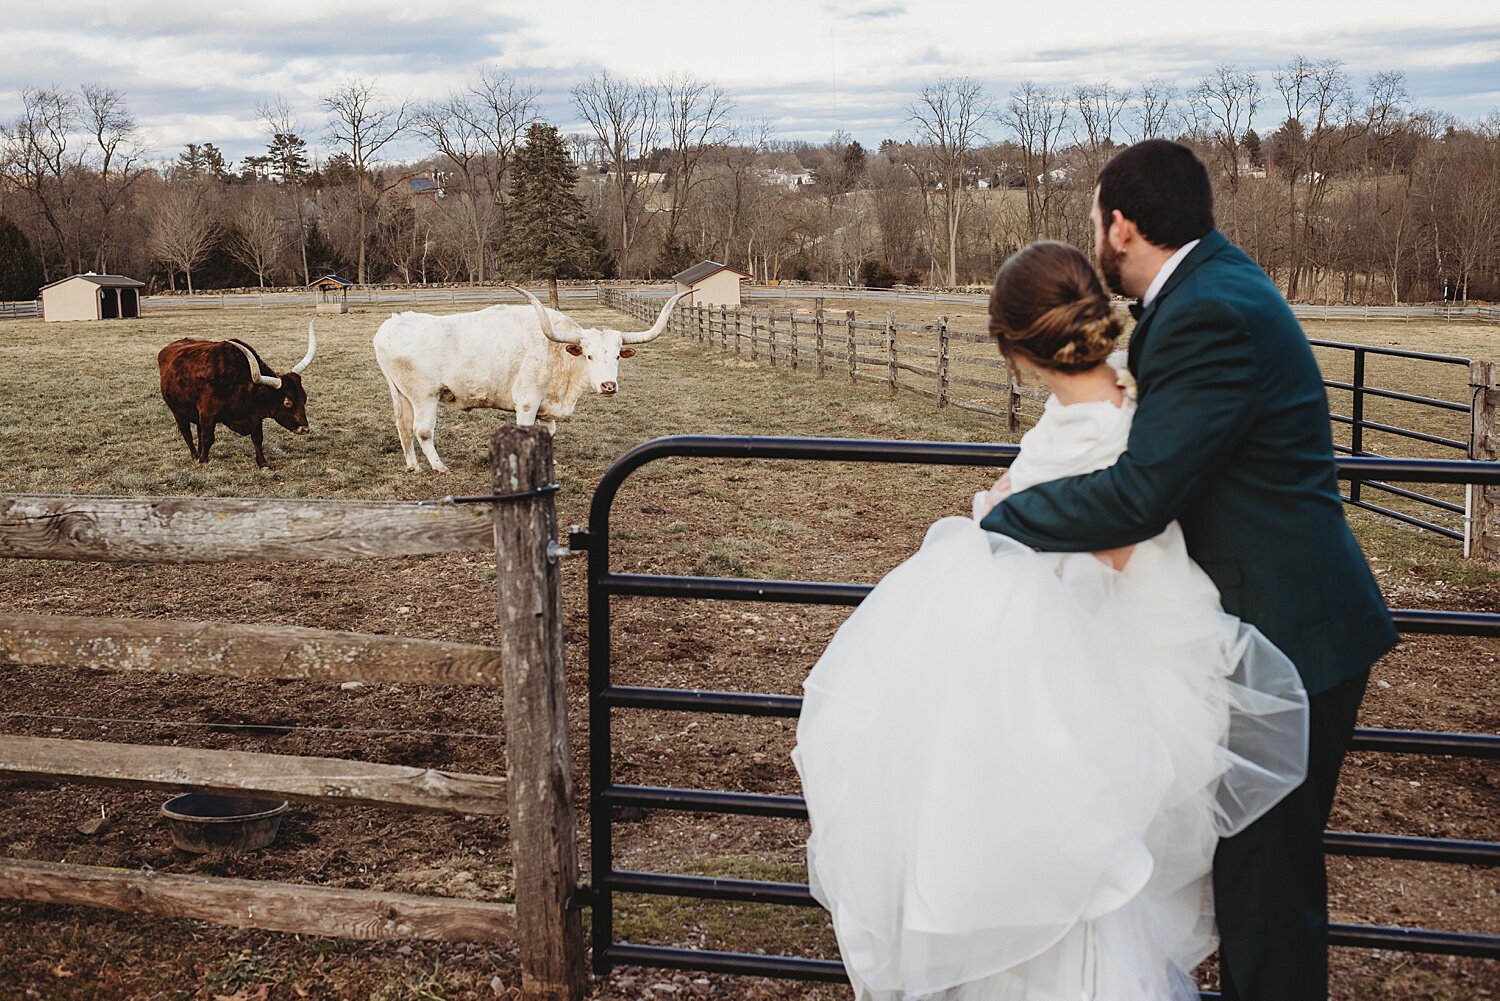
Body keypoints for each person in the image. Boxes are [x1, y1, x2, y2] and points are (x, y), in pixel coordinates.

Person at [794, 239, 1309, 1001]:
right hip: (1106, 662)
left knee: (1050, 875)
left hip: (1083, 676)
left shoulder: (1095, 436)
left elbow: (1105, 554)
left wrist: (996, 523)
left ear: (1014, 348)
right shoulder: (1126, 407)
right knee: (1083, 886)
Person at [980, 140, 1398, 1001]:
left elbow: (1141, 496)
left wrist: (999, 518)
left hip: (1293, 636)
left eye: (1096, 219)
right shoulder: (1212, 287)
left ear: (1120, 226)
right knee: (1256, 884)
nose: (1095, 235)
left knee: (1266, 897)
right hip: (1276, 621)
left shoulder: (1208, 310)